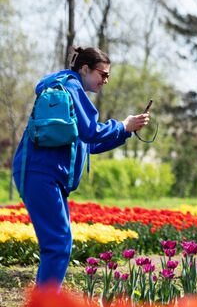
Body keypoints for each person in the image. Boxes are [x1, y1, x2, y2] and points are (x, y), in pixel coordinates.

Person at [12, 46, 150, 289]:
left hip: (42, 174)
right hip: (40, 174)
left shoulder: (66, 91)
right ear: (84, 69)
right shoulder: (72, 87)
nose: (105, 81)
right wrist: (122, 125)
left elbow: (87, 144)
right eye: (103, 74)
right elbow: (90, 131)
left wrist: (125, 132)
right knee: (58, 244)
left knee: (58, 244)